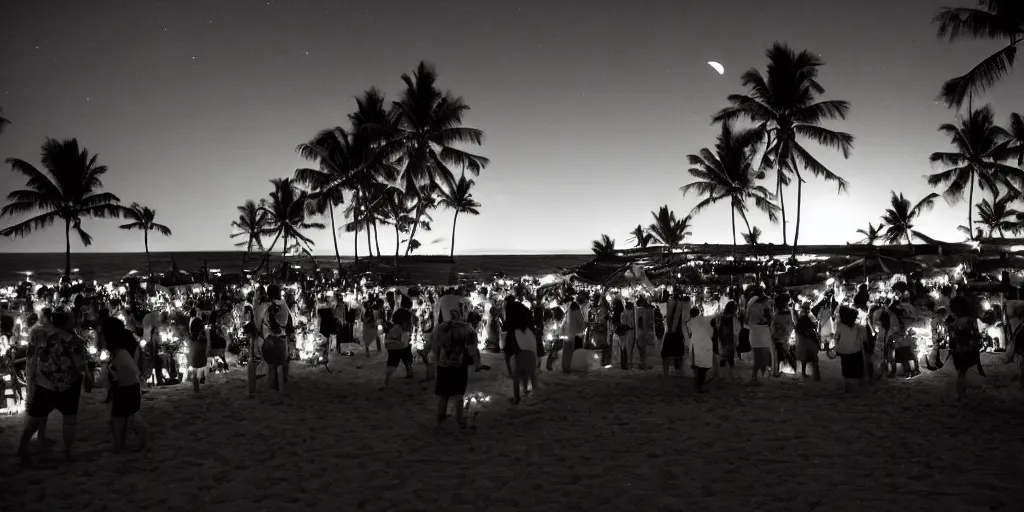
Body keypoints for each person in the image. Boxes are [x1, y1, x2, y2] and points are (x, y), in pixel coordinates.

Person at [15, 311, 87, 464]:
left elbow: (31, 361)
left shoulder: (38, 336)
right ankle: (67, 452)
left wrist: (31, 382)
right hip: (69, 384)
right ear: (66, 322)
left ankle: (21, 448)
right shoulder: (72, 338)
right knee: (69, 420)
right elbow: (80, 363)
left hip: (45, 383)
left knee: (34, 419)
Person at [433, 307, 483, 428]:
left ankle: (440, 418)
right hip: (459, 366)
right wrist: (477, 363)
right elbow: (472, 348)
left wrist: (437, 362)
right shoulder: (467, 328)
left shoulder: (440, 328)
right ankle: (459, 419)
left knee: (443, 395)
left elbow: (434, 347)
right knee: (458, 395)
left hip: (443, 365)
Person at [105, 323, 149, 452]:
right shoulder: (124, 348)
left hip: (126, 386)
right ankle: (123, 444)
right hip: (129, 386)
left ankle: (124, 444)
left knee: (125, 417)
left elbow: (127, 372)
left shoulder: (121, 352)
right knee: (124, 416)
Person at [834, 306, 867, 393]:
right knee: (858, 369)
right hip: (856, 351)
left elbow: (836, 336)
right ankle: (859, 387)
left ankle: (847, 388)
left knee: (846, 370)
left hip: (844, 351)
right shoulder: (859, 327)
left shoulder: (840, 325)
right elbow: (865, 338)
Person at [381, 308, 414, 389]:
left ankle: (409, 373)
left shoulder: (401, 328)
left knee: (406, 359)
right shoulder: (397, 328)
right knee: (392, 365)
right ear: (403, 321)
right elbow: (389, 341)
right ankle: (386, 381)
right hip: (395, 348)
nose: (409, 322)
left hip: (400, 347)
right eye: (407, 321)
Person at [688, 307, 714, 393]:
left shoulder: (690, 323)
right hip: (706, 344)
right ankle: (700, 386)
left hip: (696, 345)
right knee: (703, 368)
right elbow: (711, 332)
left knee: (697, 366)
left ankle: (698, 385)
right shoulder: (706, 319)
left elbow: (689, 335)